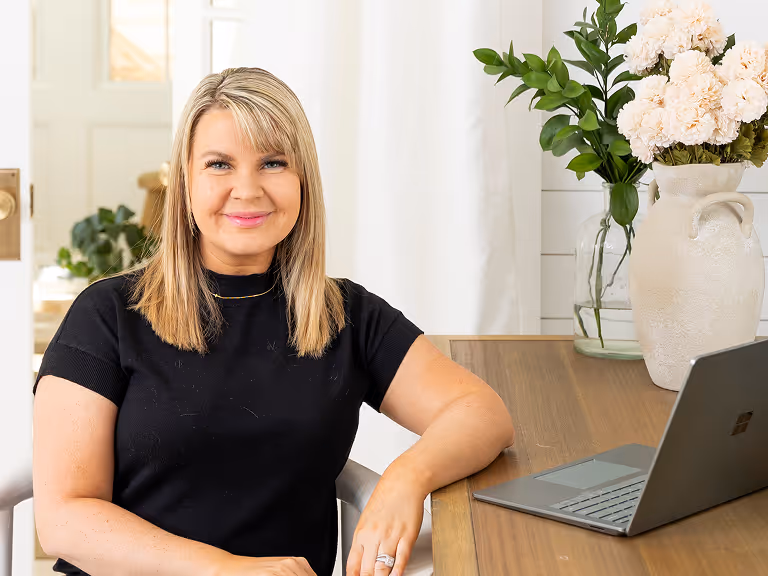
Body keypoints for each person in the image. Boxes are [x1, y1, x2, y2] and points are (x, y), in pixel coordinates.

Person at [32, 67, 515, 576]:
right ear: (186, 180)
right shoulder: (108, 314)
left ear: (302, 179)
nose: (247, 189)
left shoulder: (344, 316)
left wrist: (407, 477)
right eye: (219, 164)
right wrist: (223, 570)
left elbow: (482, 413)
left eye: (272, 163)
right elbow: (64, 518)